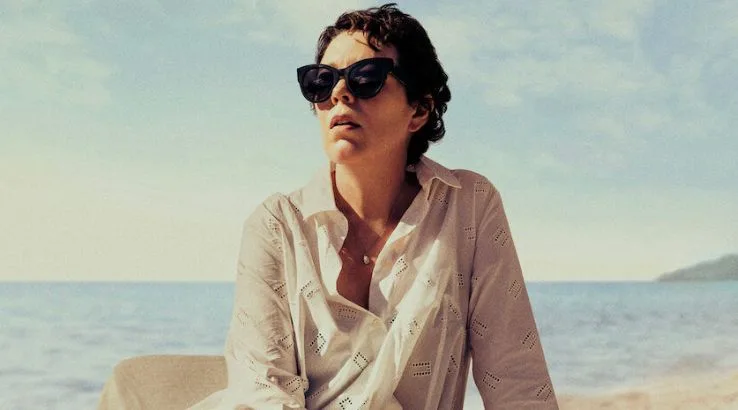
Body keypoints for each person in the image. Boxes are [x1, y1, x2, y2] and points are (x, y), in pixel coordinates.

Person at [192, 3, 558, 409]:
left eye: (366, 78)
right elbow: (263, 392)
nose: (339, 93)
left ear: (419, 110)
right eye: (321, 81)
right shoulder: (277, 225)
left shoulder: (469, 206)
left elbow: (517, 382)